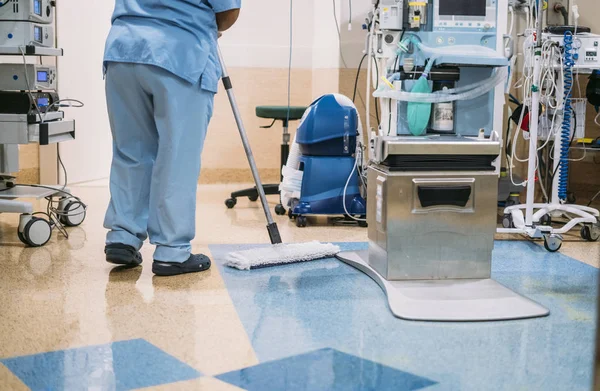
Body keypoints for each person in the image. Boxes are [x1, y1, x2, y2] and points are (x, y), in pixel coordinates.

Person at [102, 0, 241, 276]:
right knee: (178, 156)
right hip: (179, 54)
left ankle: (123, 236)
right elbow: (227, 13)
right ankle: (172, 252)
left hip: (123, 50)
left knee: (131, 150)